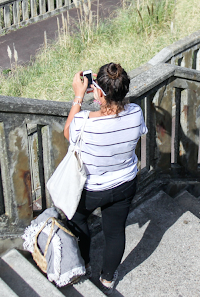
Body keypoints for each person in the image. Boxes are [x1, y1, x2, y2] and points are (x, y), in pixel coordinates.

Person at [63, 62, 147, 294]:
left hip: (93, 189)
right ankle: (108, 279)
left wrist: (79, 97)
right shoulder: (137, 112)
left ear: (98, 91)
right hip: (125, 184)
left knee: (77, 219)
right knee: (115, 231)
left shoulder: (85, 122)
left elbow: (68, 131)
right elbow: (133, 127)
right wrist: (105, 96)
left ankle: (85, 264)